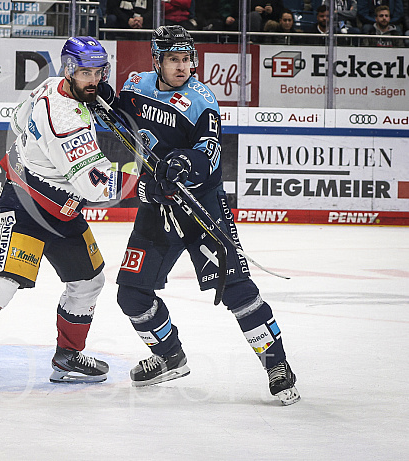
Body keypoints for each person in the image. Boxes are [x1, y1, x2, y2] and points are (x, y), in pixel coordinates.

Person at [103, 25, 300, 405]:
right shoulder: (136, 84)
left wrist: (181, 165)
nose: (183, 66)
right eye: (174, 59)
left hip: (200, 205)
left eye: (187, 58)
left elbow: (209, 153)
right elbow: (118, 114)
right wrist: (101, 97)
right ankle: (168, 356)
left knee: (238, 291)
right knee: (131, 294)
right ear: (157, 60)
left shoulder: (201, 98)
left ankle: (277, 365)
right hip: (159, 207)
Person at [0, 37, 129, 400]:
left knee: (88, 281)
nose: (94, 80)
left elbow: (19, 122)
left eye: (99, 72)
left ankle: (68, 357)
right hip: (25, 209)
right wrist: (142, 177)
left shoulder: (51, 86)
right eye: (86, 72)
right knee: (1, 286)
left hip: (61, 210)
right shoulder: (65, 120)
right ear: (69, 69)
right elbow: (98, 187)